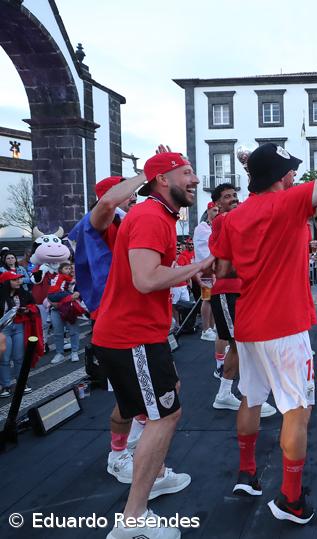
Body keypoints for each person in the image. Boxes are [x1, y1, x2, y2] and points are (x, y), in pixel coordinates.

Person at [213, 114, 317, 525]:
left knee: (250, 397)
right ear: (281, 177)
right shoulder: (287, 202)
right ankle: (291, 501)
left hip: (249, 323)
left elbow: (224, 269)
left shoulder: (232, 217)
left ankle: (247, 474)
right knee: (297, 409)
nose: (296, 174)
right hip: (285, 325)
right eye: (292, 170)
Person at [97, 150, 215, 539]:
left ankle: (154, 473)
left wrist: (188, 272)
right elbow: (146, 279)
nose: (195, 179)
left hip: (137, 334)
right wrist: (198, 266)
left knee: (167, 398)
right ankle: (133, 518)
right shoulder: (150, 216)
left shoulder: (158, 214)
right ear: (163, 180)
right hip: (132, 336)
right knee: (165, 416)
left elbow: (149, 274)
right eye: (187, 172)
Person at [68, 172, 149, 488]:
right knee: (128, 395)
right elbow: (107, 204)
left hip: (129, 315)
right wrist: (146, 174)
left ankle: (134, 442)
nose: (134, 195)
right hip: (113, 318)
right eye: (128, 191)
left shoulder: (123, 220)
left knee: (148, 390)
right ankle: (118, 456)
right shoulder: (100, 221)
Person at [207, 182, 277, 418]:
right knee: (242, 345)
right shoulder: (222, 220)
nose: (234, 199)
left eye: (234, 195)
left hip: (238, 290)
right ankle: (246, 396)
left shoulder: (233, 219)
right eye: (227, 196)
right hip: (226, 291)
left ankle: (228, 394)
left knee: (242, 345)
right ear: (217, 204)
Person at [0, 272, 35, 397]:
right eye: (15, 279)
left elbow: (33, 304)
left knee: (19, 357)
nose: (19, 281)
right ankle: (5, 385)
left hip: (19, 327)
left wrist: (27, 309)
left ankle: (22, 383)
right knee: (4, 358)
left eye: (19, 279)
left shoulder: (23, 293)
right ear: (6, 282)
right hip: (3, 329)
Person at [47, 262, 83, 364]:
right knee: (58, 332)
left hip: (70, 309)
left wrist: (77, 294)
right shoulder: (58, 278)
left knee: (73, 331)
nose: (70, 270)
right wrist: (52, 303)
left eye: (71, 268)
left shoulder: (79, 281)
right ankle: (59, 353)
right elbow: (49, 294)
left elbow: (80, 295)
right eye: (68, 268)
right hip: (56, 309)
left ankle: (74, 351)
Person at [193, 201, 219, 341]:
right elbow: (201, 249)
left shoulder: (214, 226)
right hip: (206, 269)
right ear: (208, 211)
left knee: (214, 299)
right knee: (207, 298)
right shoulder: (202, 228)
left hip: (215, 269)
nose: (216, 213)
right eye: (214, 210)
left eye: (217, 210)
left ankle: (213, 327)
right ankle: (205, 329)